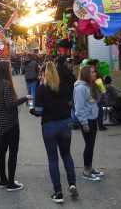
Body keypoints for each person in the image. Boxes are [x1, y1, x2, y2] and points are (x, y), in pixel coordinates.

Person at [30, 61, 78, 204]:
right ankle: (72, 183)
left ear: (43, 73)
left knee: (53, 159)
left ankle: (58, 192)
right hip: (65, 124)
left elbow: (39, 111)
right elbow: (70, 103)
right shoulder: (64, 86)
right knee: (66, 154)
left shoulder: (41, 89)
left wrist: (31, 111)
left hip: (49, 125)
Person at [0, 60, 31, 192]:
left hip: (1, 121)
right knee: (13, 152)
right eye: (9, 67)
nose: (11, 68)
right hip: (11, 122)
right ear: (4, 69)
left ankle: (3, 180)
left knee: (2, 151)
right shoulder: (7, 84)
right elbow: (9, 104)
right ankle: (11, 183)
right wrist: (25, 98)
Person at [73, 65, 104, 182]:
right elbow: (79, 107)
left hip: (92, 118)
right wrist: (84, 123)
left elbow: (95, 101)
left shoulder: (91, 85)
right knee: (89, 145)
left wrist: (100, 88)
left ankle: (90, 168)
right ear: (86, 74)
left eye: (95, 72)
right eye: (92, 72)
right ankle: (86, 171)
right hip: (86, 120)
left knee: (91, 145)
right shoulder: (80, 88)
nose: (95, 74)